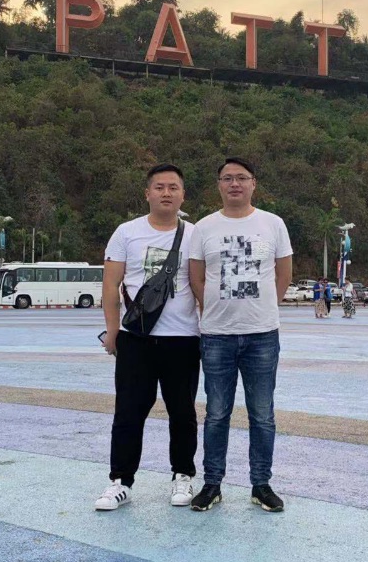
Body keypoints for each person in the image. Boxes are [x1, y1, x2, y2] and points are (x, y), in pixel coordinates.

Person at [188, 157, 293, 513]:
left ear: (253, 183)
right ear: (219, 184)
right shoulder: (204, 227)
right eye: (227, 178)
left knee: (262, 414)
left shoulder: (273, 224)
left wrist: (264, 308)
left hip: (262, 335)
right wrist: (215, 310)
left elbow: (283, 274)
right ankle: (212, 484)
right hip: (216, 335)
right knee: (216, 413)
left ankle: (261, 484)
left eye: (242, 178)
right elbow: (197, 277)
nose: (235, 183)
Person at [95, 164, 200, 510]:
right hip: (135, 338)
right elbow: (110, 285)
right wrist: (113, 332)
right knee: (128, 411)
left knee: (182, 412)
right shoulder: (126, 233)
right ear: (147, 193)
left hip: (183, 338)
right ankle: (120, 482)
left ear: (183, 195)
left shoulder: (195, 234)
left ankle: (183, 475)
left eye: (173, 187)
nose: (166, 193)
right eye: (159, 187)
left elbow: (200, 286)